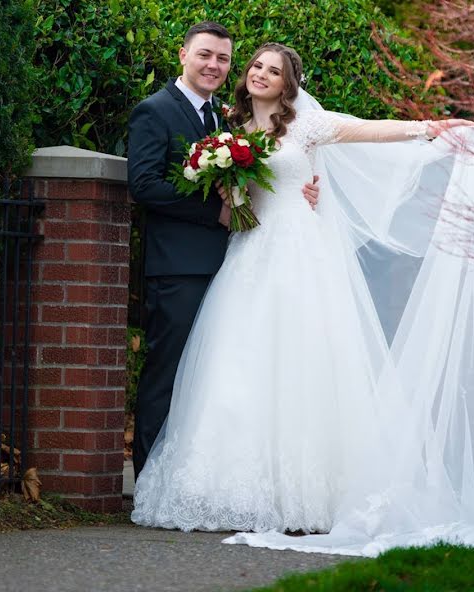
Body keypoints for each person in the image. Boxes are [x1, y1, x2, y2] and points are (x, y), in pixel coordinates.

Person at [131, 42, 474, 557]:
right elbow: (228, 195)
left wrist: (428, 128)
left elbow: (365, 129)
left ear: (289, 83)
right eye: (256, 67)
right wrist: (228, 199)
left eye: (273, 71)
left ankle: (312, 496)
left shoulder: (307, 126)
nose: (260, 75)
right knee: (237, 371)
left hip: (300, 255)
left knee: (307, 371)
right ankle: (230, 489)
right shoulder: (229, 129)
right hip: (247, 257)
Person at [127, 23, 322, 480]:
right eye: (205, 55)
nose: (214, 65)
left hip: (231, 264)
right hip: (178, 267)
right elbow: (145, 185)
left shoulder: (227, 118)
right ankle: (149, 481)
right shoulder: (154, 111)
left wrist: (305, 191)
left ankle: (194, 477)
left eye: (222, 59)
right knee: (167, 373)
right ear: (183, 55)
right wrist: (212, 214)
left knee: (211, 380)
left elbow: (252, 181)